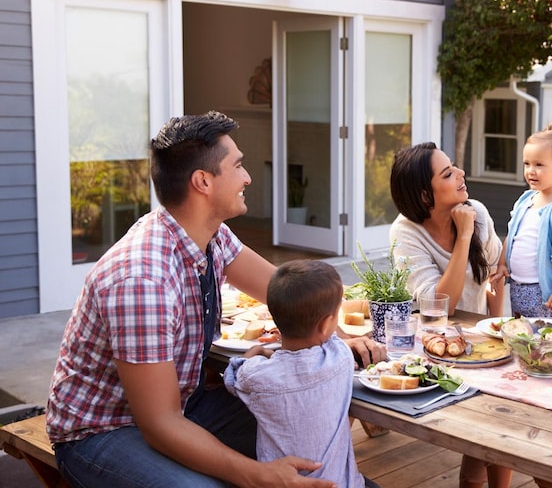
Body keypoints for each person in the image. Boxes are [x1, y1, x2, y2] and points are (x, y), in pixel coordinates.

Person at [46, 111, 385, 488]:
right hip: (103, 432)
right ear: (203, 182)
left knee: (305, 418)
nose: (248, 177)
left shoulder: (211, 236)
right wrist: (259, 475)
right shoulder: (142, 280)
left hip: (185, 405)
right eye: (238, 165)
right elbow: (160, 424)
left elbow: (284, 290)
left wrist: (332, 334)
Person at [388, 142, 512, 488]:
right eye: (448, 173)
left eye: (455, 167)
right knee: (485, 436)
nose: (461, 174)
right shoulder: (405, 233)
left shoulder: (478, 212)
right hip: (435, 348)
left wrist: (497, 333)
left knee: (498, 424)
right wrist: (464, 236)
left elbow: (496, 278)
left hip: (483, 343)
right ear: (425, 196)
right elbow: (439, 304)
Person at [224, 260, 380, 488]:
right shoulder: (340, 358)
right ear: (327, 324)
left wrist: (256, 352)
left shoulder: (256, 376)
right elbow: (339, 344)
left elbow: (233, 376)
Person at [492, 129, 552, 319]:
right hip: (517, 288)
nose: (531, 170)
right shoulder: (526, 199)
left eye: (539, 165)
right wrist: (502, 264)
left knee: (546, 342)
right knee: (521, 339)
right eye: (527, 163)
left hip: (543, 295)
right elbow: (512, 233)